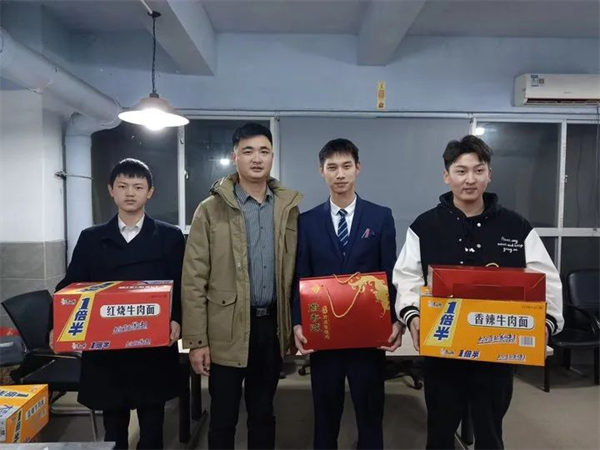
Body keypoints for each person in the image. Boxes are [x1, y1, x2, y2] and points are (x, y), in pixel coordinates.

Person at [393, 135, 564, 450]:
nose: (469, 179)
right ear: (447, 176)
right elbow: (407, 277)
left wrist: (546, 322)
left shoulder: (516, 227)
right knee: (440, 433)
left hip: (496, 352)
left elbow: (547, 279)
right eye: (461, 171)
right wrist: (412, 315)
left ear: (489, 174)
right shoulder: (425, 226)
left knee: (490, 433)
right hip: (443, 353)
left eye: (478, 170)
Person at [181, 122, 302, 450]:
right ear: (235, 157)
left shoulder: (287, 209)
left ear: (273, 156)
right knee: (223, 416)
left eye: (264, 151)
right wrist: (197, 341)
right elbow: (193, 279)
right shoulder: (210, 209)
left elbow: (294, 272)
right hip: (226, 328)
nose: (257, 158)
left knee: (263, 413)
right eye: (248, 151)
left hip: (270, 327)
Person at [52, 158, 184, 450]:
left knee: (152, 426)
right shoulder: (91, 238)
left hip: (152, 349)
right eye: (123, 186)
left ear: (150, 192)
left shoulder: (170, 236)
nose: (130, 193)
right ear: (111, 190)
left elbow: (181, 285)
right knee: (113, 429)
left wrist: (177, 318)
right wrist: (56, 325)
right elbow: (70, 286)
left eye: (138, 186)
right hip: (107, 352)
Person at [292, 138, 403, 450]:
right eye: (332, 167)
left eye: (346, 166)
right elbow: (301, 276)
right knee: (325, 414)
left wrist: (395, 321)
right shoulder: (307, 221)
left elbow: (389, 273)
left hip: (368, 336)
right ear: (322, 172)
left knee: (370, 412)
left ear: (358, 168)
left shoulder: (380, 217)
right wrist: (298, 321)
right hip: (324, 334)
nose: (339, 174)